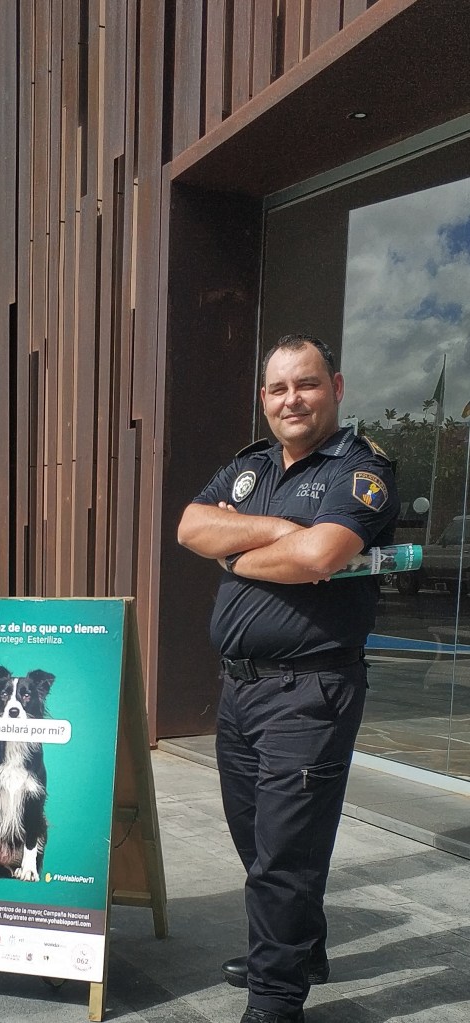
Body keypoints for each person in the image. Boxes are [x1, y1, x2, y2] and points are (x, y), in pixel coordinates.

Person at [177, 334, 399, 1023]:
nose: (291, 400)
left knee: (283, 854)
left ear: (337, 387)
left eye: (306, 384)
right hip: (240, 690)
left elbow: (320, 555)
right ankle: (302, 949)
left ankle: (274, 1000)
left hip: (311, 693)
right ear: (264, 397)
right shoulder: (252, 466)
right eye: (278, 388)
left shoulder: (360, 470)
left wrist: (236, 548)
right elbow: (190, 526)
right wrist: (281, 530)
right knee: (258, 839)